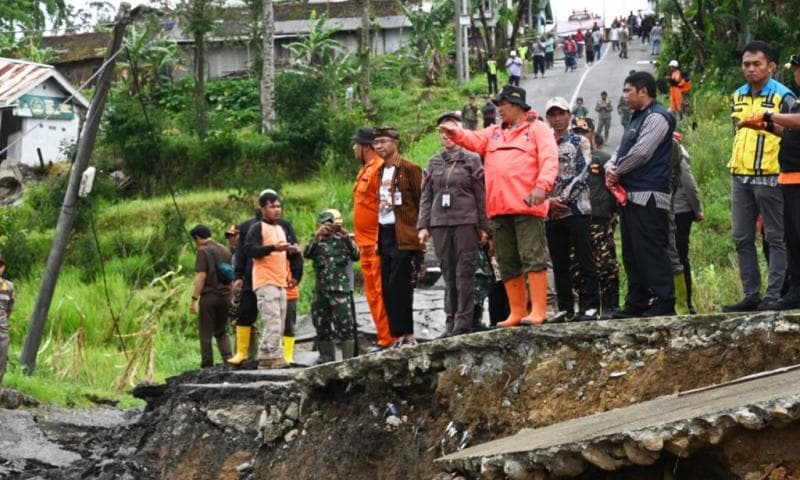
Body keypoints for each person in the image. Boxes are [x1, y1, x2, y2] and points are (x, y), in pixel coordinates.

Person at [439, 85, 559, 327]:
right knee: (507, 261)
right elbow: (472, 139)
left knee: (532, 257)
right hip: (499, 209)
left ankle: (537, 310)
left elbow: (549, 159)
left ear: (516, 105)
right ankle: (516, 311)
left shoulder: (538, 130)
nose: (499, 109)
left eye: (502, 105)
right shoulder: (494, 133)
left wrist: (542, 186)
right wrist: (455, 132)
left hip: (527, 207)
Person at [724, 41, 795, 312]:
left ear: (771, 66)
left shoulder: (784, 96)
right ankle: (751, 295)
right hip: (740, 175)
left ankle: (774, 295)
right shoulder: (737, 96)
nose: (751, 69)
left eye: (757, 64)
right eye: (746, 64)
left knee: (776, 237)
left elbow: (792, 136)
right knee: (742, 237)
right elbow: (737, 133)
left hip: (771, 175)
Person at [605, 71, 676, 317]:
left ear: (643, 91)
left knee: (651, 249)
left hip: (650, 195)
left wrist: (617, 171)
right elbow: (621, 150)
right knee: (632, 252)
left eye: (628, 91)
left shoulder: (658, 117)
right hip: (630, 195)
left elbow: (642, 153)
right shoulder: (635, 118)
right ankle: (637, 302)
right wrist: (609, 168)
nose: (624, 96)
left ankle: (663, 300)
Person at [418, 112, 489, 337]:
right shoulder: (434, 161)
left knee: (465, 273)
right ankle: (450, 322)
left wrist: (484, 226)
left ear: (459, 132)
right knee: (448, 274)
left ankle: (463, 323)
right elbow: (426, 196)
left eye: (450, 131)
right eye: (442, 132)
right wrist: (423, 225)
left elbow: (481, 194)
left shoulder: (472, 159)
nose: (446, 136)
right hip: (440, 223)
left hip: (466, 222)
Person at [740, 54, 800, 309]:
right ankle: (795, 290)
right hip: (788, 178)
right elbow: (789, 130)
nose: (795, 74)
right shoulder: (797, 101)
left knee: (794, 237)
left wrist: (769, 114)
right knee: (792, 239)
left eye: (796, 70)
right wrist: (763, 126)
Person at [231, 189, 302, 365]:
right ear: (262, 208)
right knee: (260, 317)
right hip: (260, 279)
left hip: (281, 280)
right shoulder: (253, 227)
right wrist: (238, 274)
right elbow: (245, 250)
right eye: (272, 206)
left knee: (280, 320)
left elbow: (293, 252)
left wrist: (296, 274)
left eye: (278, 206)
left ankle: (275, 355)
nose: (277, 210)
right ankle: (262, 356)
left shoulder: (282, 227)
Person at [544, 98, 599, 322]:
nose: (557, 119)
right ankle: (565, 307)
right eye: (553, 114)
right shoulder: (543, 144)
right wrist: (549, 202)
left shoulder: (579, 141)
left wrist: (563, 199)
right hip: (551, 212)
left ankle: (590, 306)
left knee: (585, 259)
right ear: (548, 118)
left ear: (569, 116)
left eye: (561, 114)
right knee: (559, 262)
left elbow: (584, 172)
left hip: (576, 209)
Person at [374, 126, 424, 348]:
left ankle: (409, 333)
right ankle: (397, 334)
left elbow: (422, 201)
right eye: (376, 143)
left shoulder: (410, 169)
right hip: (384, 232)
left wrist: (422, 231)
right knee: (387, 286)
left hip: (404, 232)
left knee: (401, 284)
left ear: (395, 143)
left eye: (383, 141)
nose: (379, 146)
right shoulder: (378, 172)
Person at [571, 119, 620, 318]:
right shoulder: (570, 160)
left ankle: (611, 305)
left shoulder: (602, 158)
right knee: (578, 264)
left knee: (606, 263)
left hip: (600, 219)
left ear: (592, 133)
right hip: (577, 219)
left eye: (584, 132)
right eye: (576, 132)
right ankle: (587, 307)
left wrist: (613, 215)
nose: (581, 135)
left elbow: (615, 189)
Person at [352, 127, 394, 353]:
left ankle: (390, 337)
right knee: (372, 294)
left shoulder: (379, 168)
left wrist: (380, 238)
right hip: (364, 243)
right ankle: (383, 338)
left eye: (356, 145)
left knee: (382, 292)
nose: (354, 149)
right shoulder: (365, 169)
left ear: (366, 147)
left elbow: (385, 207)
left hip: (376, 242)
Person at [304, 209, 360, 362]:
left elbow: (356, 255)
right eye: (324, 224)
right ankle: (326, 359)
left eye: (330, 224)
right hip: (321, 290)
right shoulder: (315, 241)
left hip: (339, 290)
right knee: (321, 324)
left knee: (345, 326)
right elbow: (306, 253)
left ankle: (349, 361)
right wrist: (317, 235)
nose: (327, 227)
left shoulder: (342, 240)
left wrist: (346, 236)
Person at [189, 225, 233, 368]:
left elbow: (201, 276)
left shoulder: (202, 251)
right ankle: (228, 359)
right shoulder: (225, 249)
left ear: (197, 238)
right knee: (221, 330)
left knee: (205, 332)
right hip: (226, 295)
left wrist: (194, 299)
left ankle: (207, 364)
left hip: (209, 297)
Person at [671, 132, 704, 313]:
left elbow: (688, 183)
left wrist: (696, 209)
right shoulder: (679, 151)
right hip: (679, 209)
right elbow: (690, 185)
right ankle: (684, 302)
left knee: (679, 256)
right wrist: (697, 209)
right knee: (680, 256)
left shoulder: (678, 154)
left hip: (679, 209)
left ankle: (686, 303)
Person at [0, 254, 15, 385]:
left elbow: (8, 310)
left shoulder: (9, 287)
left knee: (1, 364)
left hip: (2, 332)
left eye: (0, 265)